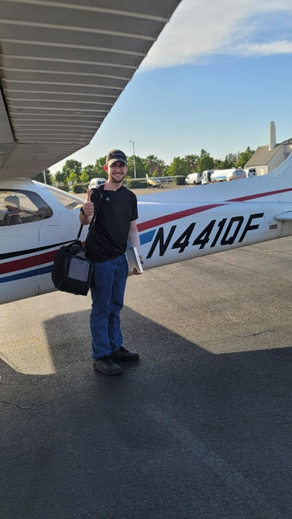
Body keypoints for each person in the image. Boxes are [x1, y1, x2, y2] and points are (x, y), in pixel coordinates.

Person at [79, 149, 143, 376]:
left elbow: (132, 228)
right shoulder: (96, 193)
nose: (118, 169)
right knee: (101, 309)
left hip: (120, 260)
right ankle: (100, 355)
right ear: (106, 168)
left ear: (126, 169)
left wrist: (136, 256)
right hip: (101, 262)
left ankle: (115, 348)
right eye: (113, 166)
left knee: (115, 306)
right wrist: (85, 211)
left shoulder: (129, 196)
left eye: (122, 166)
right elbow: (86, 219)